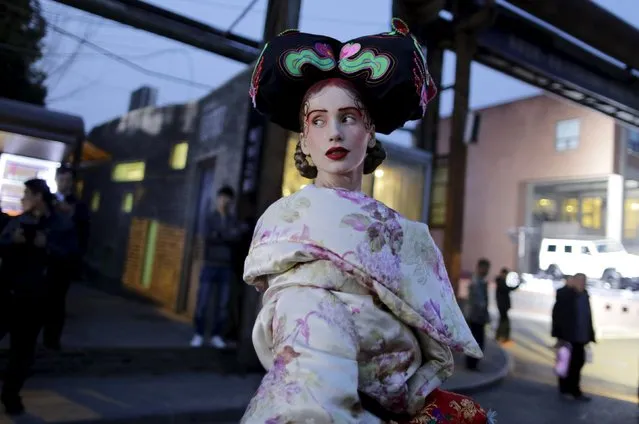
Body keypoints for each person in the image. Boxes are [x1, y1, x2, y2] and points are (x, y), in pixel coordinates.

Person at [240, 19, 495, 423]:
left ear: (371, 130)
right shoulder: (286, 226)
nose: (334, 133)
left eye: (349, 117)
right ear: (304, 138)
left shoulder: (404, 233)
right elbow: (304, 341)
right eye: (318, 121)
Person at [0, 179, 78, 415]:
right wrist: (12, 242)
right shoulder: (19, 221)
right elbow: (2, 244)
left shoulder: (61, 225)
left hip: (35, 298)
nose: (23, 198)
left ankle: (11, 395)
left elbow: (71, 257)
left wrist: (49, 247)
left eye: (27, 194)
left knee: (22, 352)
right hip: (8, 293)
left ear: (38, 198)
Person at [41, 164, 90, 350]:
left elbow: (83, 231)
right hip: (45, 256)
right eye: (62, 180)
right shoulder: (48, 200)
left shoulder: (78, 205)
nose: (65, 184)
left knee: (57, 300)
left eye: (68, 180)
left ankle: (51, 341)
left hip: (64, 259)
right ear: (56, 180)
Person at [190, 185, 242, 349]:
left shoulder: (232, 219)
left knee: (223, 305)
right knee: (203, 302)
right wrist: (227, 235)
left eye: (228, 198)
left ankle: (216, 335)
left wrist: (222, 235)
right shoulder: (210, 217)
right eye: (222, 197)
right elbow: (209, 237)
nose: (225, 201)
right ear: (218, 198)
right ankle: (198, 334)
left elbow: (236, 238)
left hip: (226, 266)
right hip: (210, 264)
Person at [551, 273, 595, 402]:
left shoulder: (585, 296)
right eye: (580, 281)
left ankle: (575, 390)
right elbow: (557, 315)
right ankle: (565, 389)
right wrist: (559, 336)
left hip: (581, 337)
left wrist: (590, 335)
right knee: (566, 363)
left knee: (578, 364)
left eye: (584, 281)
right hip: (568, 337)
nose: (582, 284)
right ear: (574, 281)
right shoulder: (567, 295)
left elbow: (588, 317)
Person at [465, 258, 491, 371]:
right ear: (480, 268)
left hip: (477, 316)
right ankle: (471, 364)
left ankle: (472, 363)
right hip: (475, 317)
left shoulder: (480, 281)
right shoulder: (477, 282)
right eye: (485, 268)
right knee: (477, 341)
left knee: (477, 341)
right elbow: (479, 302)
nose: (487, 271)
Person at [495, 267, 520, 344]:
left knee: (503, 321)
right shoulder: (501, 282)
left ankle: (500, 336)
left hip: (503, 305)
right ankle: (503, 337)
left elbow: (509, 289)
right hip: (502, 305)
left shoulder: (501, 281)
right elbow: (508, 289)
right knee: (505, 321)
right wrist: (517, 285)